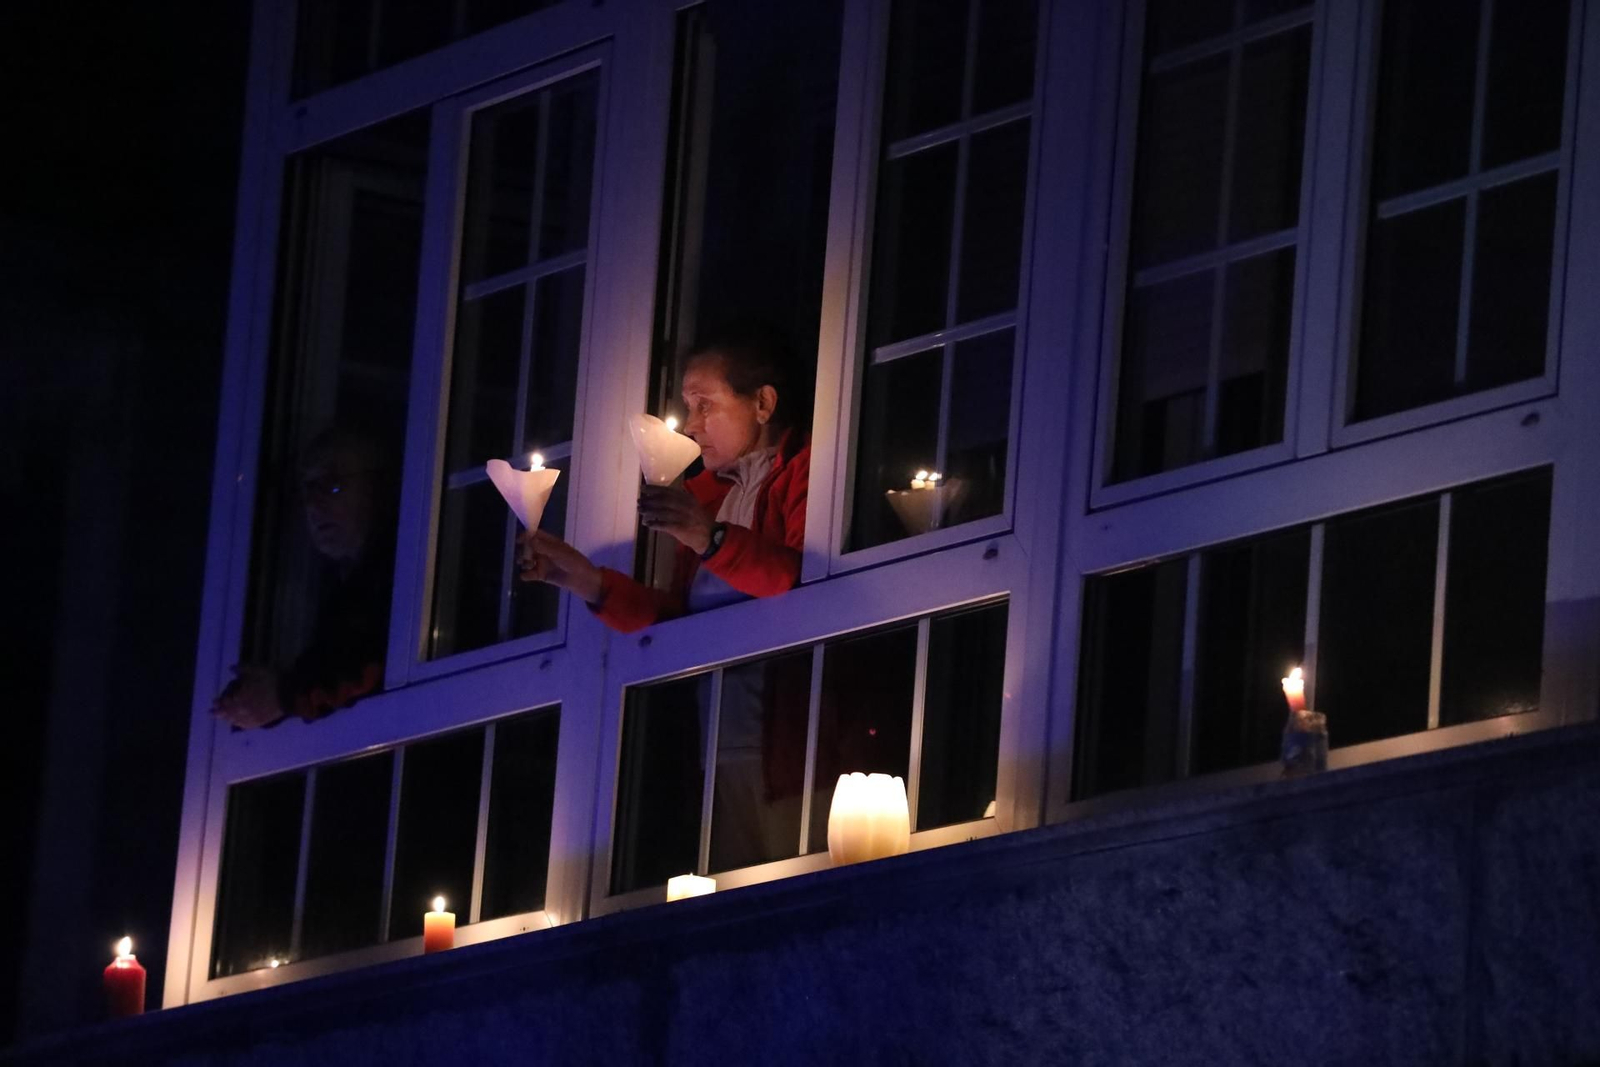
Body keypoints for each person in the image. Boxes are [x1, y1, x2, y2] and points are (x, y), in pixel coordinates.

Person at [515, 336, 810, 631]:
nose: (689, 425)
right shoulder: (708, 498)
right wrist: (584, 579)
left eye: (704, 405)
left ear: (763, 403)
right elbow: (678, 624)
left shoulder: (807, 470)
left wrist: (710, 538)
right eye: (688, 407)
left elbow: (801, 582)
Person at [211, 425, 395, 729]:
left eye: (333, 486)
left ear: (379, 489)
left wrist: (284, 696)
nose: (314, 505)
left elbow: (366, 671)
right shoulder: (340, 595)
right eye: (307, 491)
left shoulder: (404, 585)